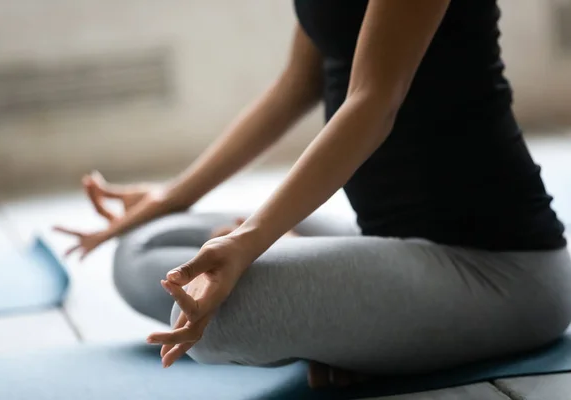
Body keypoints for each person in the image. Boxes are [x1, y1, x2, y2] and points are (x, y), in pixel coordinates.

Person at [54, 0, 571, 389]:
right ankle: (361, 329)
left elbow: (372, 103)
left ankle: (358, 330)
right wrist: (169, 197)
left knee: (216, 323)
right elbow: (294, 87)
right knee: (142, 252)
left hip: (501, 269)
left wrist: (254, 240)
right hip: (387, 241)